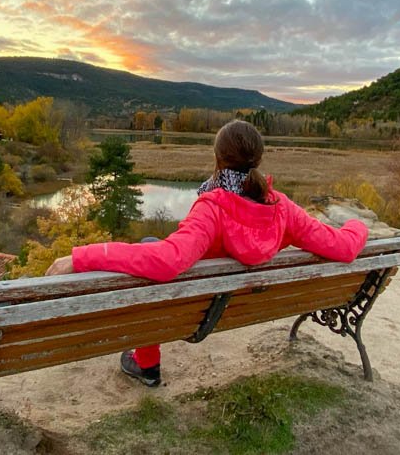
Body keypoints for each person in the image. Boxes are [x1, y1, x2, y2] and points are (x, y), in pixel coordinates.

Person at [45, 119, 369, 387]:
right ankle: (146, 362)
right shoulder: (280, 206)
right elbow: (343, 246)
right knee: (151, 248)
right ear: (257, 160)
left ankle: (147, 364)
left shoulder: (213, 207)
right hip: (235, 303)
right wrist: (358, 223)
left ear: (218, 159)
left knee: (148, 247)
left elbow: (168, 260)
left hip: (192, 306)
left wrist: (80, 257)